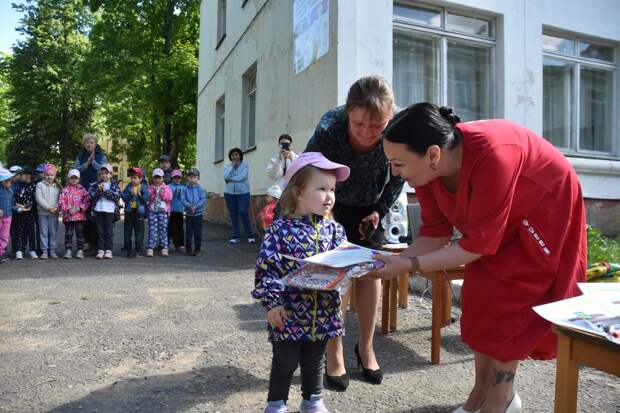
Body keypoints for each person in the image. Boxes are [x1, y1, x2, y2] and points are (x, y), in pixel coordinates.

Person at [372, 103, 587, 413]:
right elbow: (435, 233)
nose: (394, 172)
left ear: (432, 154)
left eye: (398, 163)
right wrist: (389, 263)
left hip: (544, 205)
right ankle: (481, 392)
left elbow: (476, 247)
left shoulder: (493, 157)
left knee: (511, 295)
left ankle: (502, 398)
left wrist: (407, 265)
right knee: (479, 294)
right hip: (496, 221)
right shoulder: (428, 173)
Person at [304, 75, 404, 389]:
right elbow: (307, 170)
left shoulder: (399, 128)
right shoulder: (329, 128)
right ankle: (334, 352)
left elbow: (400, 172)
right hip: (331, 205)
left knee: (369, 274)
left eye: (376, 126)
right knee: (338, 277)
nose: (366, 133)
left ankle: (366, 346)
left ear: (388, 118)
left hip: (370, 209)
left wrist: (381, 209)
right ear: (348, 114)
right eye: (358, 123)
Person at [252, 152, 350, 413]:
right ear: (298, 192)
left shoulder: (336, 230)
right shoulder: (280, 230)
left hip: (324, 312)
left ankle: (313, 400)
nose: (329, 195)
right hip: (289, 311)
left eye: (332, 189)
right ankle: (276, 404)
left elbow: (344, 265)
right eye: (321, 188)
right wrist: (272, 304)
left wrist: (358, 264)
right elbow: (267, 270)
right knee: (285, 361)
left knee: (315, 359)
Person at [75, 133, 108, 251]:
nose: (89, 144)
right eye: (87, 142)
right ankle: (86, 241)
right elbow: (75, 171)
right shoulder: (80, 156)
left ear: (95, 144)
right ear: (84, 144)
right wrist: (86, 164)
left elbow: (106, 170)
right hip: (83, 189)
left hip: (98, 189)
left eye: (92, 142)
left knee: (96, 216)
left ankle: (96, 243)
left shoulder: (102, 156)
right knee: (85, 216)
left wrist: (93, 163)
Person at [88, 163, 121, 259]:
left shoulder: (114, 185)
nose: (104, 175)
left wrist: (105, 192)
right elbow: (90, 196)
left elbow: (117, 196)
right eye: (102, 173)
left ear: (110, 174)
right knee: (100, 231)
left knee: (109, 231)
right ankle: (101, 250)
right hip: (99, 210)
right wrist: (98, 191)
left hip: (110, 211)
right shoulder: (95, 184)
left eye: (106, 173)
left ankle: (108, 250)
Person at [224, 147, 256, 244]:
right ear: (230, 156)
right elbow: (225, 176)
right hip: (229, 193)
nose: (235, 156)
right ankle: (235, 236)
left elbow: (242, 177)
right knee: (233, 214)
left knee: (243, 212)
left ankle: (250, 235)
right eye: (233, 155)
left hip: (243, 193)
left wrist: (230, 179)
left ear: (240, 156)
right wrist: (232, 168)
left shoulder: (245, 165)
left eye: (237, 154)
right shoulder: (227, 166)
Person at [58, 169, 90, 259]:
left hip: (80, 217)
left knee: (80, 234)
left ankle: (80, 250)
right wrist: (68, 210)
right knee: (68, 234)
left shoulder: (82, 190)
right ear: (68, 179)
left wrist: (79, 208)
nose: (74, 180)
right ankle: (68, 250)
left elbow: (87, 201)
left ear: (79, 179)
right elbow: (61, 202)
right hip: (68, 217)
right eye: (72, 178)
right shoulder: (64, 190)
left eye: (76, 178)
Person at [121, 167, 149, 258]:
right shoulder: (128, 186)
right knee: (127, 232)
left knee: (139, 232)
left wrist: (140, 195)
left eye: (135, 178)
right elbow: (124, 197)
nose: (133, 180)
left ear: (140, 178)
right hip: (129, 212)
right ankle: (128, 249)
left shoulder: (144, 187)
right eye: (132, 177)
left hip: (139, 212)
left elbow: (146, 200)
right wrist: (129, 195)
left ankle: (138, 250)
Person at [35, 164, 61, 259]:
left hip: (54, 213)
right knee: (43, 232)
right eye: (47, 175)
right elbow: (39, 198)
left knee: (53, 232)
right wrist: (49, 208)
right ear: (44, 175)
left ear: (55, 176)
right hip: (43, 213)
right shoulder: (40, 185)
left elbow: (61, 199)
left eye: (51, 175)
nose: (49, 177)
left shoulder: (58, 186)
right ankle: (44, 251)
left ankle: (52, 250)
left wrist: (56, 208)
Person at [146, 168, 172, 257]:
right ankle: (150, 248)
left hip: (163, 212)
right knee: (152, 230)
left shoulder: (167, 187)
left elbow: (169, 199)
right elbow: (148, 198)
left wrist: (162, 193)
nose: (157, 180)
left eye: (159, 178)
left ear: (163, 178)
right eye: (155, 178)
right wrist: (153, 192)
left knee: (163, 230)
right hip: (153, 211)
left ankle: (164, 248)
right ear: (153, 179)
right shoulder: (150, 188)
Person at [14, 167, 38, 259]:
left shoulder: (34, 186)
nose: (20, 176)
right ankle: (19, 250)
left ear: (28, 176)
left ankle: (32, 250)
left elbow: (34, 199)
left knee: (31, 232)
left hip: (30, 213)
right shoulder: (19, 186)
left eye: (22, 174)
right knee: (20, 232)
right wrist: (18, 206)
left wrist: (27, 206)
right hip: (19, 213)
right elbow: (15, 197)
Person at [182, 168, 206, 256]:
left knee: (197, 232)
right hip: (189, 214)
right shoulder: (185, 189)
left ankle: (197, 249)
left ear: (198, 178)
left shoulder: (200, 189)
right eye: (190, 177)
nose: (192, 179)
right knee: (188, 232)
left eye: (194, 177)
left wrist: (196, 206)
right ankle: (188, 249)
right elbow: (183, 199)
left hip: (198, 214)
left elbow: (203, 199)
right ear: (187, 178)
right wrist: (189, 206)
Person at [168, 169, 186, 253]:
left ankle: (181, 244)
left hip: (180, 211)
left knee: (180, 229)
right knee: (171, 228)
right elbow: (168, 197)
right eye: (175, 177)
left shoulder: (183, 187)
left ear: (181, 179)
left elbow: (185, 197)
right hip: (171, 211)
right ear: (172, 178)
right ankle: (168, 244)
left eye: (179, 177)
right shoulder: (169, 186)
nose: (177, 179)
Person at [0, 166, 15, 263]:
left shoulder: (10, 190)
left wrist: (18, 208)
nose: (10, 183)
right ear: (3, 181)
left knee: (4, 237)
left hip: (8, 216)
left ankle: (0, 253)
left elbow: (12, 203)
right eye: (9, 181)